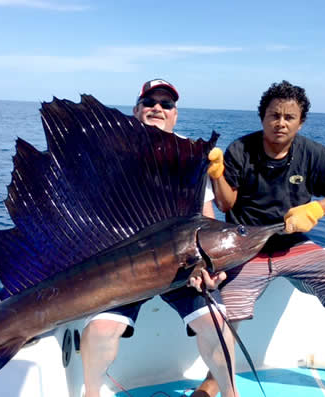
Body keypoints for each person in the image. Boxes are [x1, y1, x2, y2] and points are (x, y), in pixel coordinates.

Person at [194, 80, 325, 397]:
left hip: (295, 247)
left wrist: (318, 207)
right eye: (274, 115)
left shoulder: (312, 153)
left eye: (289, 117)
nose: (280, 123)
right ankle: (213, 378)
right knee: (227, 314)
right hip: (248, 248)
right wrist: (218, 176)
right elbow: (225, 204)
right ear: (262, 117)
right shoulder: (240, 150)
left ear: (300, 121)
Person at [80, 79, 231, 397]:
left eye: (166, 104)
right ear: (136, 110)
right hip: (126, 269)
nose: (157, 108)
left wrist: (210, 264)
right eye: (149, 102)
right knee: (99, 331)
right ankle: (91, 393)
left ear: (175, 115)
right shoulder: (113, 154)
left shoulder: (190, 156)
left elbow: (205, 217)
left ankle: (231, 394)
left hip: (182, 267)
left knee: (217, 325)